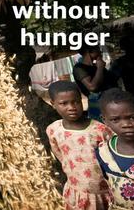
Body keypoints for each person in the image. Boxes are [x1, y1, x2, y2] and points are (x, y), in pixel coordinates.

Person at [46, 81, 113, 209]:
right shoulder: (53, 130)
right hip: (76, 189)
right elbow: (60, 155)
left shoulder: (100, 130)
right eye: (63, 103)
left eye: (76, 101)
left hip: (102, 190)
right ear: (53, 104)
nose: (71, 107)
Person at [96, 88, 134, 209]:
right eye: (116, 119)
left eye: (133, 117)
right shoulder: (103, 152)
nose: (126, 125)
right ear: (105, 120)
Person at [73, 44, 117, 120]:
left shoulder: (96, 66)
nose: (100, 52)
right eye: (97, 49)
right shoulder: (79, 68)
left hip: (112, 100)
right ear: (88, 52)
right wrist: (100, 68)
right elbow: (92, 87)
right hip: (99, 104)